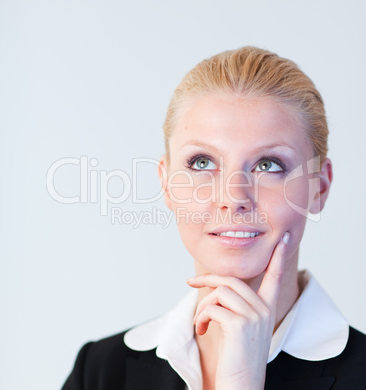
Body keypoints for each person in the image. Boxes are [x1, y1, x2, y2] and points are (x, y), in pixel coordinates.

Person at [62, 46, 366, 390]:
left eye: (269, 165)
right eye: (202, 163)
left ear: (319, 188)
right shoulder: (101, 371)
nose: (234, 198)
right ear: (166, 183)